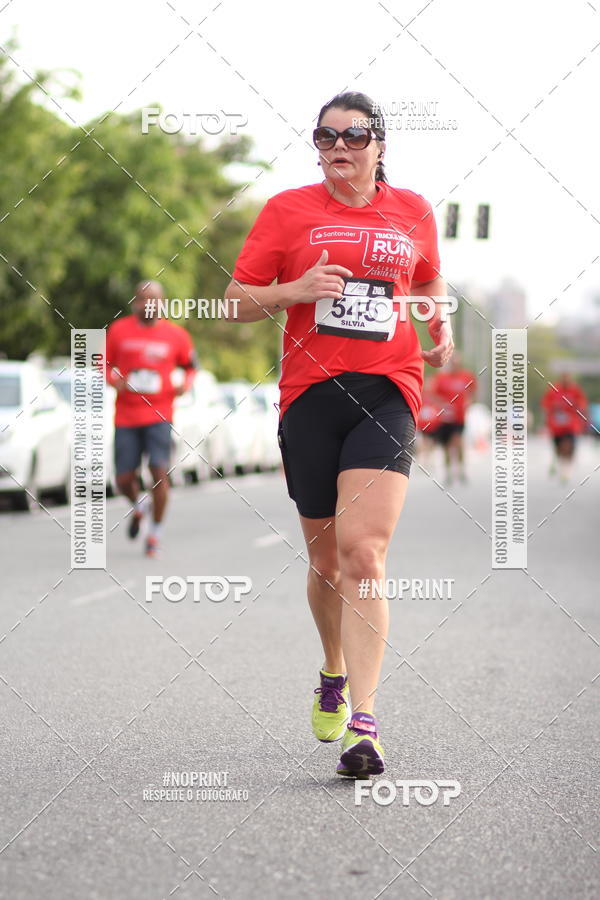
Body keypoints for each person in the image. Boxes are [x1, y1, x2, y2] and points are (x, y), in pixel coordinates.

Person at [224, 92, 453, 777]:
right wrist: (296, 288)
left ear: (380, 145)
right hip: (311, 398)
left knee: (364, 553)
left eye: (352, 136)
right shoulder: (287, 211)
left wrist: (436, 318)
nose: (337, 148)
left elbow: (430, 277)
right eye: (324, 138)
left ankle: (366, 721)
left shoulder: (412, 210)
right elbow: (235, 300)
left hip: (388, 392)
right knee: (325, 564)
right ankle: (332, 669)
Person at [106, 281, 197, 557]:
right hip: (127, 415)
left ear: (163, 303)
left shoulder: (176, 335)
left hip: (160, 414)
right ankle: (139, 505)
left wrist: (186, 385)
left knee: (159, 473)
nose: (149, 305)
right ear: (135, 303)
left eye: (154, 300)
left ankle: (154, 534)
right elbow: (103, 363)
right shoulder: (119, 330)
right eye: (143, 300)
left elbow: (191, 367)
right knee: (123, 479)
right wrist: (114, 380)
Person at [430, 353, 476, 484]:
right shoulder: (441, 378)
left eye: (457, 363)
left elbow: (473, 391)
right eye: (452, 363)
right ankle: (448, 472)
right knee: (446, 446)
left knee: (458, 442)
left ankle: (461, 470)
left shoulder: (466, 377)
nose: (455, 366)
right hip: (445, 418)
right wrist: (442, 404)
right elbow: (433, 395)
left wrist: (469, 401)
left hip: (460, 417)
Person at [541, 373, 588, 483]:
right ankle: (558, 462)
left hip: (571, 425)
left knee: (569, 446)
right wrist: (554, 406)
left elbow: (582, 403)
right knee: (558, 448)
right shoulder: (554, 389)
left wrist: (576, 406)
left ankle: (566, 470)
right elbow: (545, 403)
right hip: (556, 426)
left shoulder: (575, 390)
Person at [417, 378, 442, 467]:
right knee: (424, 441)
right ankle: (423, 460)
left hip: (433, 423)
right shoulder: (422, 394)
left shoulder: (434, 395)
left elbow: (438, 406)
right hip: (423, 423)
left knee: (431, 442)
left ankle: (429, 459)